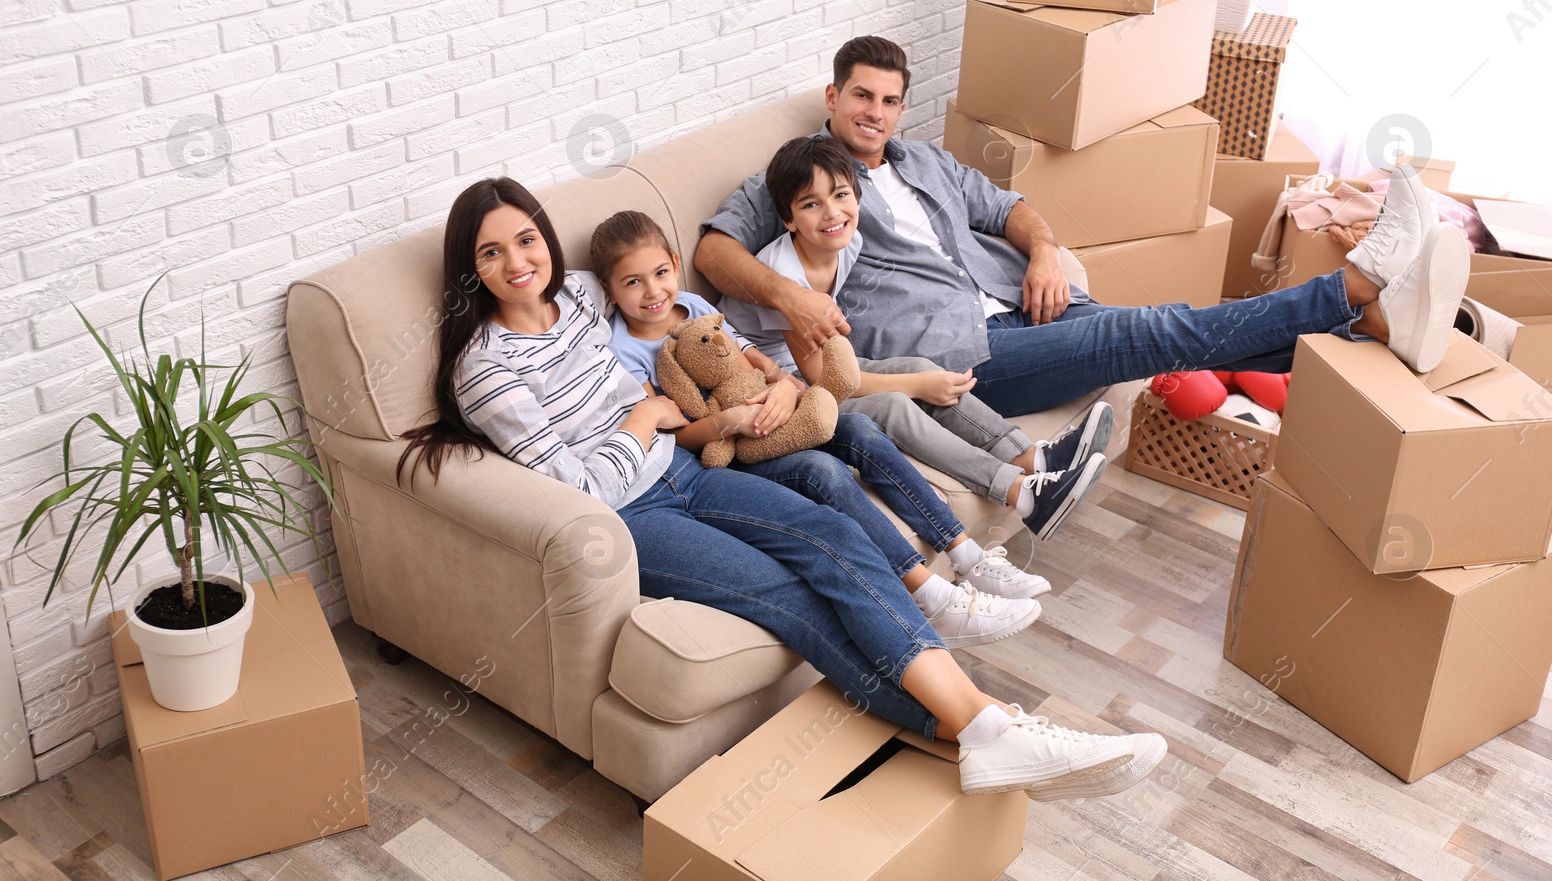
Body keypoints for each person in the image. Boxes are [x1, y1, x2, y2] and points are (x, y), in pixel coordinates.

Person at [398, 177, 1168, 801]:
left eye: (526, 238)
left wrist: (744, 376)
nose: (517, 261)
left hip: (691, 469)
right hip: (635, 515)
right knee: (790, 596)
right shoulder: (486, 368)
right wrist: (644, 416)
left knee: (831, 534)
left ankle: (989, 729)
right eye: (490, 253)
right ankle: (985, 725)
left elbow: (662, 289)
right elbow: (575, 486)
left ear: (545, 237)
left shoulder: (583, 297)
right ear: (470, 271)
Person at [694, 36, 1471, 420]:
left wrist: (1043, 250)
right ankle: (1355, 284)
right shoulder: (804, 179)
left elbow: (1009, 209)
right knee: (1156, 328)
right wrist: (792, 301)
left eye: (889, 100)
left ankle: (1369, 325)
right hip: (962, 353)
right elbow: (713, 250)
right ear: (833, 96)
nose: (874, 114)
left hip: (1023, 303)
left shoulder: (926, 160)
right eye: (861, 97)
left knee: (1174, 329)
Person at [589, 209, 1047, 630]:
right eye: (632, 283)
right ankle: (927, 591)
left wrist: (784, 391)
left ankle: (965, 552)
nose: (653, 292)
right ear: (609, 290)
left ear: (673, 262)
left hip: (777, 413)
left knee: (862, 429)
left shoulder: (696, 306)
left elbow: (757, 367)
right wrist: (731, 421)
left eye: (660, 273)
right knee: (821, 469)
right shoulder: (622, 351)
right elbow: (673, 435)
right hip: (728, 452)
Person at [718, 134, 1114, 549]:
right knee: (894, 401)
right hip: (776, 384)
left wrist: (920, 373)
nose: (832, 213)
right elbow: (824, 379)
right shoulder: (785, 274)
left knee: (923, 367)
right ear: (788, 219)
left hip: (817, 365)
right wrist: (915, 386)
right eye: (811, 204)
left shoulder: (848, 241)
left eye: (840, 195)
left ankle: (1034, 458)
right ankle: (1024, 494)